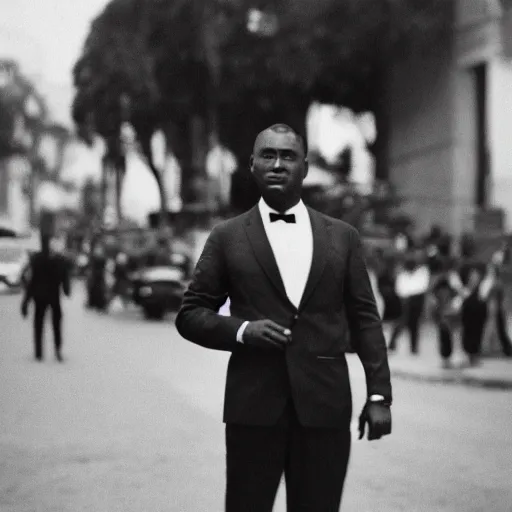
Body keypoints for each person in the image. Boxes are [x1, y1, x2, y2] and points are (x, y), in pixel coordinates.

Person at [175, 123, 392, 512]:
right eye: (268, 156)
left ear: (305, 167)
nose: (278, 165)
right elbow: (190, 314)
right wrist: (242, 331)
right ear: (252, 166)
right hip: (253, 409)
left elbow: (365, 319)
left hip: (324, 408)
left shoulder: (342, 237)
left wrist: (379, 395)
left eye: (288, 156)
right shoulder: (227, 236)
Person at [21, 234, 71, 362]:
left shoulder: (37, 259)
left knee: (40, 323)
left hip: (40, 296)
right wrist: (66, 289)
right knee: (55, 324)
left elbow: (31, 281)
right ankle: (57, 350)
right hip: (52, 296)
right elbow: (65, 277)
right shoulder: (60, 260)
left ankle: (39, 352)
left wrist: (26, 301)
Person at [388, 249, 430, 354]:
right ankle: (392, 344)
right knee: (401, 323)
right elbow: (400, 289)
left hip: (417, 300)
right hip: (404, 301)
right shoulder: (402, 275)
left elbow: (422, 287)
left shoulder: (422, 272)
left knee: (414, 324)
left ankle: (414, 348)